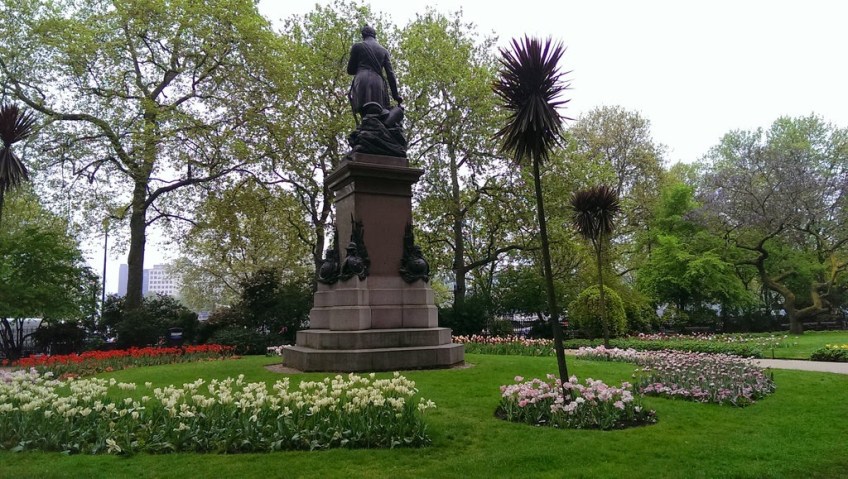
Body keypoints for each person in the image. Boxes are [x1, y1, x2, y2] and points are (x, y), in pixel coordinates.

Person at [347, 24, 402, 118]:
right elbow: (390, 75)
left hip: (362, 80)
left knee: (365, 115)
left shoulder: (357, 46)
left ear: (363, 35)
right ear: (374, 35)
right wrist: (395, 95)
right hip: (377, 83)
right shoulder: (384, 51)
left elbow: (350, 70)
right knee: (378, 114)